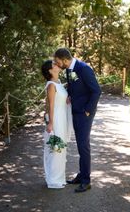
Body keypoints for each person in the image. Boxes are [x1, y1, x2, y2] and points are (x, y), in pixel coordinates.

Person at [54, 48, 101, 193]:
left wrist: (88, 110)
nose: (56, 64)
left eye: (57, 61)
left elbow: (96, 90)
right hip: (75, 111)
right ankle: (81, 176)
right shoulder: (69, 69)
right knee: (80, 145)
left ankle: (86, 181)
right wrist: (69, 94)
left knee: (83, 145)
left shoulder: (84, 69)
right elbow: (74, 85)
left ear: (64, 59)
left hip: (84, 114)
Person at [41, 60, 73, 189]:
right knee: (56, 149)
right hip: (56, 120)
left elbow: (62, 101)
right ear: (50, 70)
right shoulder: (51, 85)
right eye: (54, 64)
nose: (57, 65)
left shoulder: (59, 83)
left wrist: (68, 100)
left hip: (63, 118)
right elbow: (51, 106)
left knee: (62, 149)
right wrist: (50, 124)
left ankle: (60, 177)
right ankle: (53, 179)